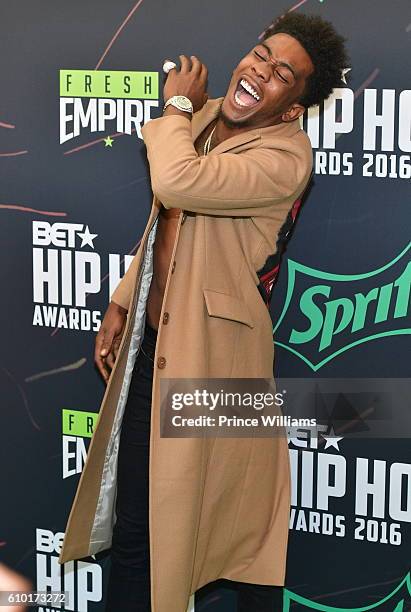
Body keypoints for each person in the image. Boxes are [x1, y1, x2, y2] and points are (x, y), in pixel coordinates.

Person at [58, 11, 350, 612]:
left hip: (216, 367)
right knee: (140, 530)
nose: (259, 72)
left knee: (224, 538)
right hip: (155, 349)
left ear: (294, 107)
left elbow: (176, 181)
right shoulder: (209, 114)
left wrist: (174, 112)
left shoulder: (286, 157)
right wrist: (122, 299)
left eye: (281, 76)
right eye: (260, 55)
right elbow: (166, 224)